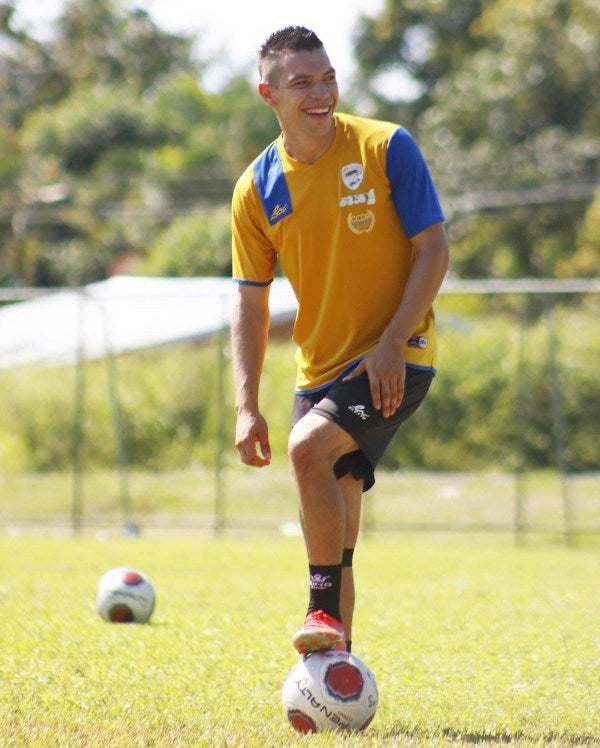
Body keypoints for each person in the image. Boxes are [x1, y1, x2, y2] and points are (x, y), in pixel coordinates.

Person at [230, 26, 448, 656]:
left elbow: (433, 249)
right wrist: (247, 405)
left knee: (306, 452)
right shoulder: (257, 188)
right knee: (340, 534)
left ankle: (319, 615)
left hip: (398, 354)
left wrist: (389, 344)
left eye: (327, 77)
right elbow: (250, 299)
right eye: (302, 83)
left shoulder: (386, 146)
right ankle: (336, 677)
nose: (321, 92)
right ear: (269, 93)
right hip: (319, 372)